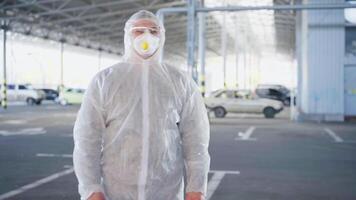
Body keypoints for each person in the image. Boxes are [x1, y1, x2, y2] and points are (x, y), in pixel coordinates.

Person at [73, 10, 210, 200]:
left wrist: (196, 189)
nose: (147, 36)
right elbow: (87, 139)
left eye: (153, 31)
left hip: (166, 191)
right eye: (139, 30)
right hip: (116, 191)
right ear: (128, 36)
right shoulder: (105, 81)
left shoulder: (180, 81)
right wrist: (91, 189)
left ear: (161, 37)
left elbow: (196, 141)